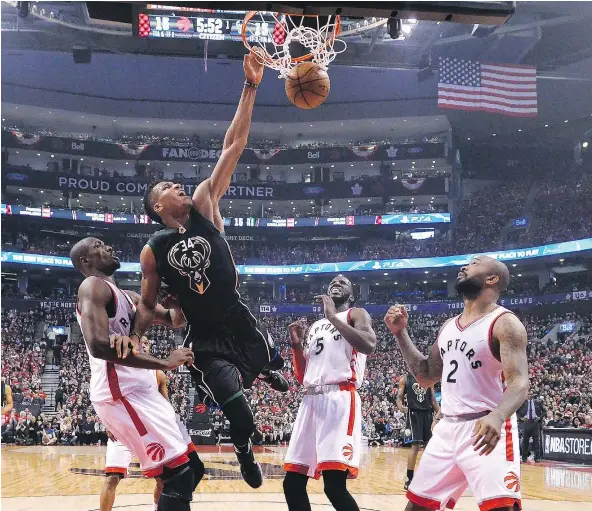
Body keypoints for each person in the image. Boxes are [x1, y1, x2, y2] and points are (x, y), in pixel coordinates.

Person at [126, 50, 288, 489]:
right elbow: (146, 304)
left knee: (265, 361)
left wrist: (251, 85)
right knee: (240, 414)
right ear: (158, 206)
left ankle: (266, 360)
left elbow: (233, 145)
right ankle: (243, 449)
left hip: (237, 314)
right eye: (167, 186)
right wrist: (137, 337)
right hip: (204, 334)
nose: (178, 184)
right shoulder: (152, 249)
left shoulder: (203, 203)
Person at [385, 256, 529, 511]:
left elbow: (519, 382)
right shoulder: (448, 327)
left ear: (492, 278)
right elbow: (426, 375)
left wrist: (498, 416)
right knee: (417, 507)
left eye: (474, 263)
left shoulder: (505, 323)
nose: (464, 266)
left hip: (486, 427)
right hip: (447, 429)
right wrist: (400, 333)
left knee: (501, 507)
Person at [70, 237, 202, 511]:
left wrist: (177, 303)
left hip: (142, 392)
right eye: (98, 245)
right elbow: (98, 346)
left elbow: (175, 321)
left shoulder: (129, 297)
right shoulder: (92, 286)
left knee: (193, 468)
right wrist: (165, 362)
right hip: (122, 393)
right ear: (86, 261)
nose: (108, 246)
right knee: (177, 476)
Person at [283, 275, 377, 511]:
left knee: (333, 486)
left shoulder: (357, 314)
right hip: (311, 400)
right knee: (292, 483)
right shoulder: (316, 326)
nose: (337, 282)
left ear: (352, 295)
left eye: (344, 282)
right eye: (333, 282)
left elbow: (369, 345)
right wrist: (296, 346)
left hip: (340, 398)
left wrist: (333, 317)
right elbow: (304, 376)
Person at [100, 336, 200, 511]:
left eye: (147, 343)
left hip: (149, 432)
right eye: (142, 342)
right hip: (123, 431)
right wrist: (108, 423)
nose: (144, 345)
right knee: (112, 478)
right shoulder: (120, 366)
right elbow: (104, 395)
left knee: (164, 480)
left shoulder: (158, 374)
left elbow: (165, 405)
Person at [396, 373, 440, 490]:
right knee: (415, 446)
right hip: (414, 413)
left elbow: (433, 400)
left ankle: (428, 477)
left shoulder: (428, 378)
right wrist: (400, 406)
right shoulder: (406, 378)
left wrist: (441, 414)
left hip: (428, 414)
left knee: (429, 447)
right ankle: (409, 478)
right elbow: (399, 397)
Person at [517, 390, 543, 462]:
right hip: (526, 422)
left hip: (535, 422)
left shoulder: (537, 402)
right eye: (528, 394)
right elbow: (517, 412)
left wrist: (539, 417)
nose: (530, 395)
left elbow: (544, 411)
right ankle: (524, 458)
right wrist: (521, 418)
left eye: (531, 394)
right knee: (525, 441)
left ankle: (537, 458)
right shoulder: (522, 403)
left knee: (536, 441)